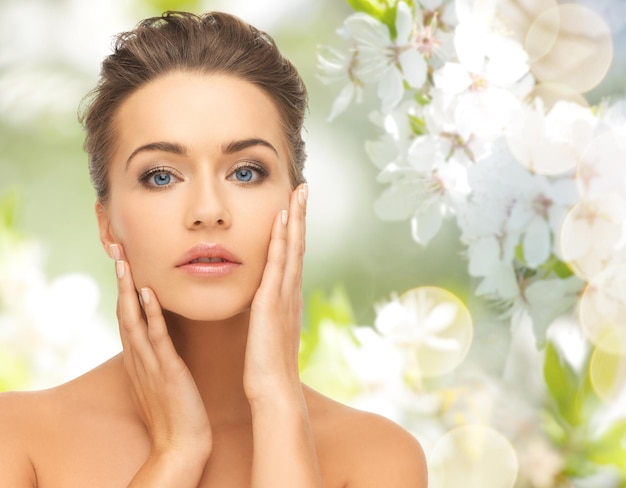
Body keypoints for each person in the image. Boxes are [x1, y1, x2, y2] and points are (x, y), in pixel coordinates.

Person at [0, 11, 427, 487]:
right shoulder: (17, 438)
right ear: (108, 226)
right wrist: (176, 455)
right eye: (161, 176)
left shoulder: (378, 458)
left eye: (245, 172)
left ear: (296, 201)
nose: (208, 210)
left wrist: (277, 401)